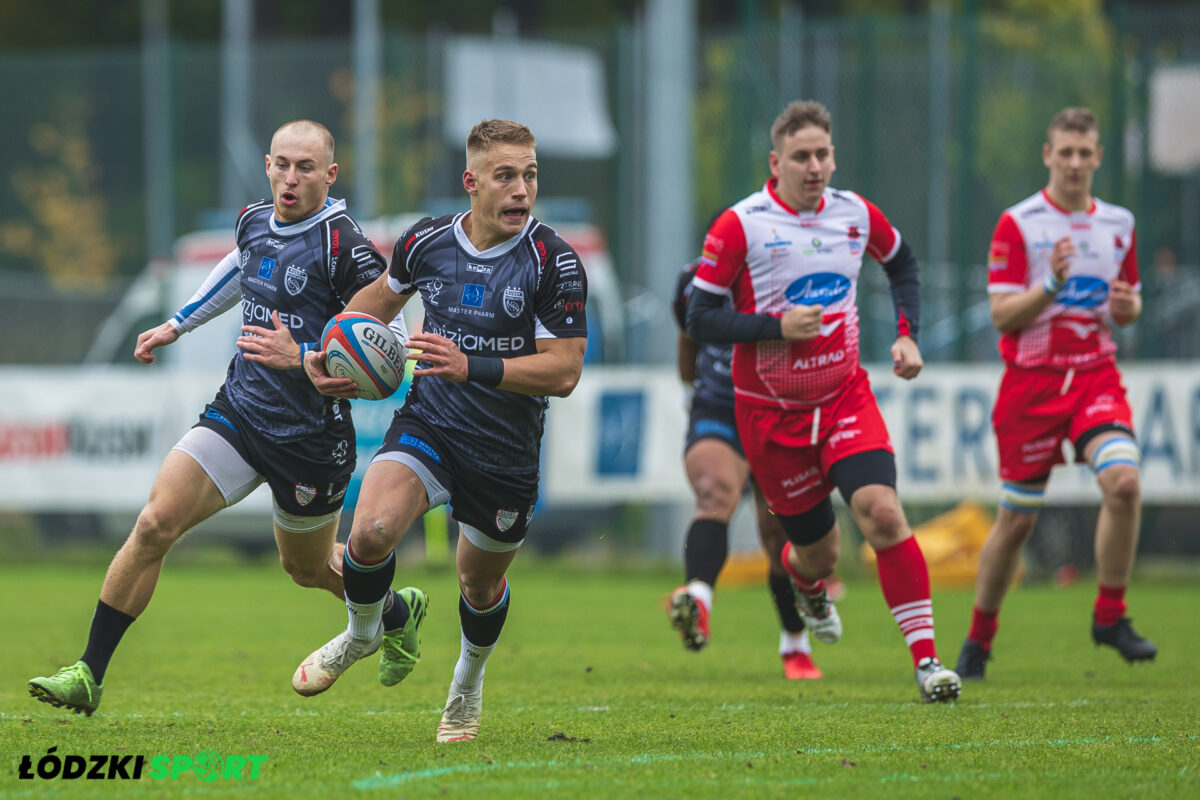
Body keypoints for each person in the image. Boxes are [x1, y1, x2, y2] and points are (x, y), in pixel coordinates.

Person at [26, 120, 425, 716]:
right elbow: (241, 270)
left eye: (306, 168)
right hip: (238, 414)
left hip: (311, 441)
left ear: (330, 174)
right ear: (267, 165)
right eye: (282, 165)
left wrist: (306, 356)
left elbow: (391, 342)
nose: (292, 178)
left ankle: (395, 611)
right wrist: (178, 322)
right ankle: (89, 672)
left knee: (308, 568)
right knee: (155, 523)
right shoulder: (253, 220)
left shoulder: (343, 245)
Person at [291, 119, 588, 743]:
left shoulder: (553, 260)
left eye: (530, 176)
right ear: (471, 182)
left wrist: (470, 364)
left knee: (478, 584)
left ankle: (467, 681)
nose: (521, 191)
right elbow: (372, 302)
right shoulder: (426, 242)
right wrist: (323, 349)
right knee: (368, 532)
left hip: (505, 451)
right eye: (505, 176)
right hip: (432, 423)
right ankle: (364, 632)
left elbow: (563, 371)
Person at [685, 100, 962, 703]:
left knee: (882, 512)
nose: (815, 167)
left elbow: (903, 262)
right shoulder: (741, 225)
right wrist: (774, 328)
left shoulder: (855, 214)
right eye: (801, 156)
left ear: (834, 156)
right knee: (818, 552)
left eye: (823, 155)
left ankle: (927, 662)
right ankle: (804, 581)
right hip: (769, 416)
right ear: (775, 162)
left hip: (843, 398)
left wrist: (908, 332)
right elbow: (700, 317)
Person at [956, 107, 1154, 680]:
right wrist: (1051, 286)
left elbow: (1132, 301)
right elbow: (1000, 314)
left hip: (1094, 377)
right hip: (1032, 386)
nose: (1072, 163)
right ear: (1047, 155)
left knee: (1124, 483)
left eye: (1083, 152)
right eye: (1063, 152)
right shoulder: (1019, 225)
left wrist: (1128, 309)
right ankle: (978, 638)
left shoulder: (1119, 224)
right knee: (1016, 522)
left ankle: (1109, 615)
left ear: (1097, 157)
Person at [667, 259, 822, 680]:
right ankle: (698, 597)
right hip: (719, 409)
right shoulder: (692, 281)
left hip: (777, 410)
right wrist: (690, 393)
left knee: (777, 533)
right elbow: (689, 337)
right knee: (714, 493)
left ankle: (794, 641)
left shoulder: (790, 275)